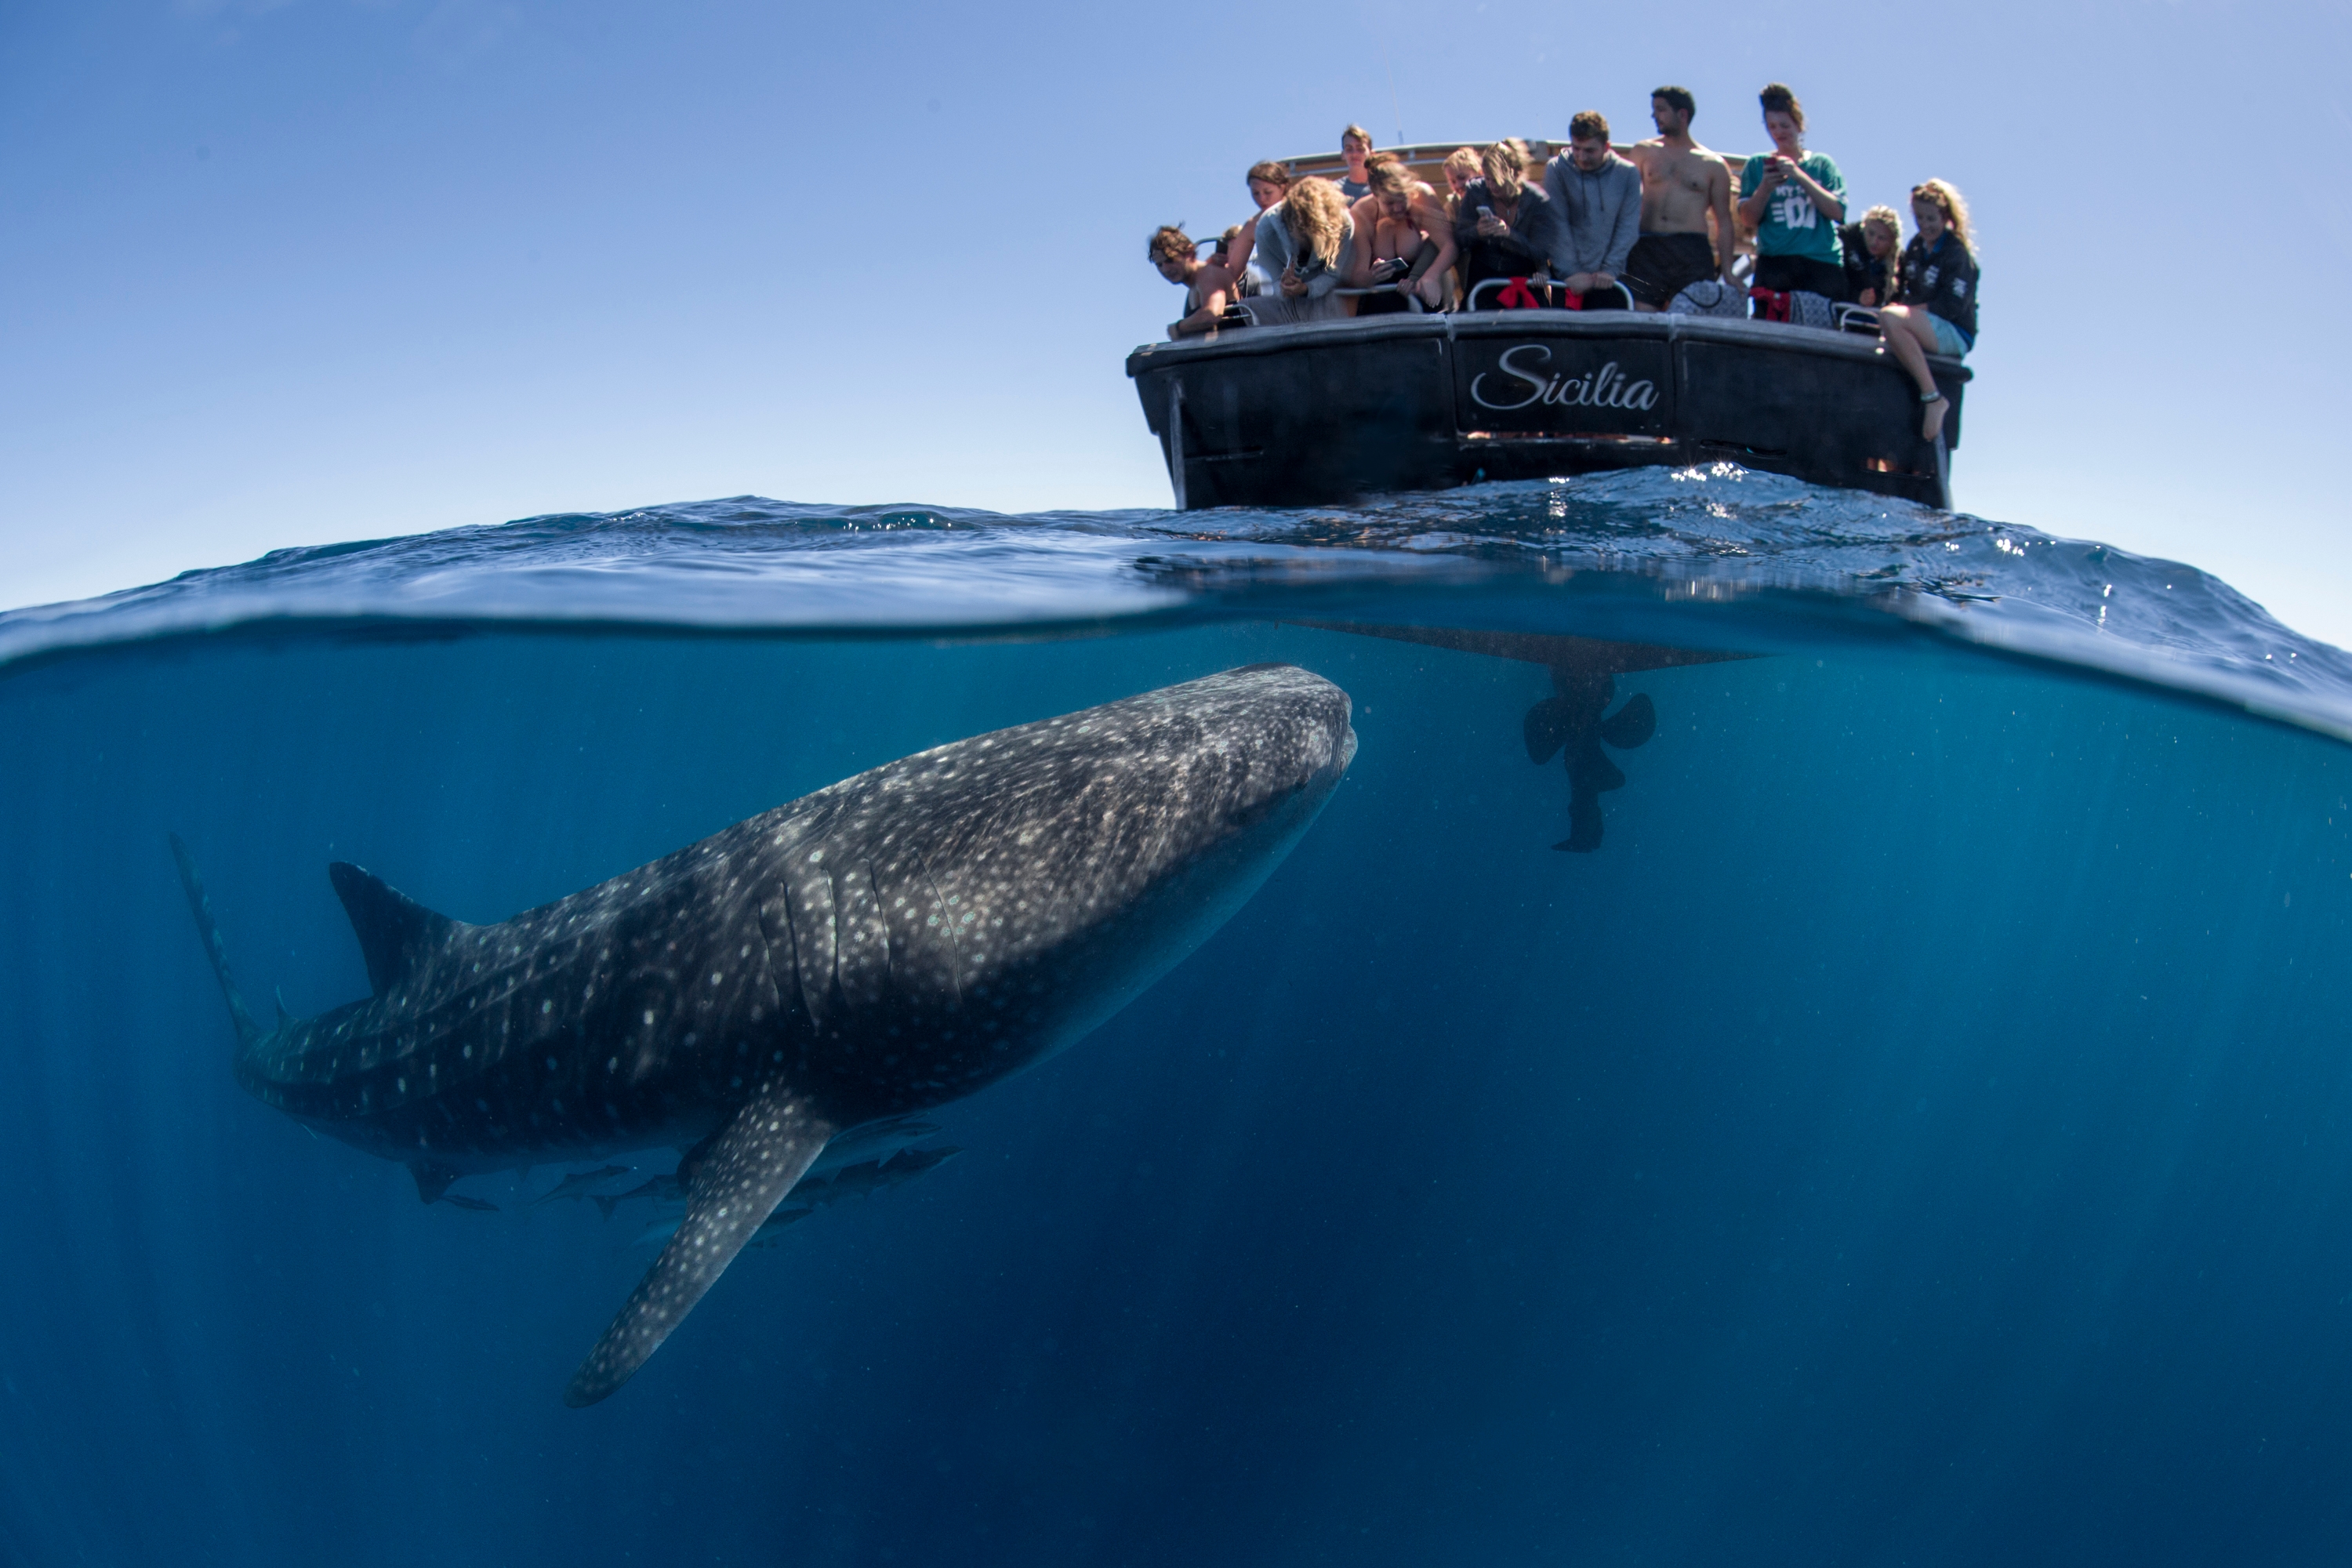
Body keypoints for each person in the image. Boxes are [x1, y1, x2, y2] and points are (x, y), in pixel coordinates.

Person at [1875, 179, 1979, 441]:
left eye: (1931, 218)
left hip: (1955, 332)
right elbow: (1904, 291)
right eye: (1919, 217)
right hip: (1923, 324)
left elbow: (1952, 306)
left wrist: (1902, 314)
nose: (1925, 224)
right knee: (1885, 321)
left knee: (1890, 317)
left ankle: (1933, 398)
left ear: (1945, 216)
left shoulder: (1957, 253)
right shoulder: (1916, 247)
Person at [1619, 85, 1737, 312]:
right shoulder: (1643, 152)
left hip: (1691, 250)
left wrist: (1729, 272)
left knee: (1690, 318)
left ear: (1682, 114)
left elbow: (1724, 221)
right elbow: (1626, 204)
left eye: (1661, 110)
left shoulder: (1713, 164)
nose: (1655, 116)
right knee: (1644, 321)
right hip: (1648, 247)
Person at [1736, 82, 1848, 305]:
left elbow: (1838, 212)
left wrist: (1799, 176)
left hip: (1820, 262)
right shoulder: (1758, 165)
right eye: (1772, 126)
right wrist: (1766, 186)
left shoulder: (1821, 164)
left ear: (1798, 124)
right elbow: (1747, 219)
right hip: (1775, 262)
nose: (1778, 133)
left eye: (1784, 126)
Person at [1542, 110, 1641, 309]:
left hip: (1611, 281)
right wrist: (1571, 272)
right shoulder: (1557, 169)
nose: (1582, 156)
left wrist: (1609, 271)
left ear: (1607, 147)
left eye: (1590, 150)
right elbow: (1556, 222)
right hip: (1567, 280)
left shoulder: (1627, 173)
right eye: (1576, 148)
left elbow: (1628, 226)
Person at [1453, 140, 1566, 309]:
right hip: (1483, 281)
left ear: (1515, 173)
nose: (1491, 186)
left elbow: (1542, 252)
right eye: (1488, 178)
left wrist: (1510, 234)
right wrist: (1477, 231)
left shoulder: (1537, 200)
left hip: (1524, 280)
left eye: (1497, 179)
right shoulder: (1476, 191)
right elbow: (1460, 239)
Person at [1347, 156, 1457, 313]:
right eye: (1390, 203)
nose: (1398, 208)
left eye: (1403, 199)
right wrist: (1373, 276)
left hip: (1422, 280)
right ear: (1375, 195)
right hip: (1384, 291)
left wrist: (1430, 276)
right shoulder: (1361, 213)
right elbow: (1358, 275)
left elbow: (1449, 245)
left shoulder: (1423, 195)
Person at [1243, 176, 1358, 324]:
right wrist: (1284, 289)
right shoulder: (1265, 230)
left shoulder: (1344, 224)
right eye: (1302, 230)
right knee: (1248, 307)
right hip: (1287, 306)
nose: (1307, 236)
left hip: (1330, 299)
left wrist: (1306, 289)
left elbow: (1333, 275)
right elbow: (1275, 280)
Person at [1148, 226, 1238, 339]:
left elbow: (1212, 314)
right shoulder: (1197, 282)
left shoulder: (1209, 274)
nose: (1165, 269)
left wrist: (1178, 327)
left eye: (1170, 260)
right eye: (1159, 265)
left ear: (1189, 252)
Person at [1221, 160, 1291, 292]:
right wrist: (1209, 267)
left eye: (1268, 192)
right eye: (1256, 193)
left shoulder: (1302, 210)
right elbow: (1232, 272)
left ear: (1282, 188)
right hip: (1283, 294)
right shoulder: (1252, 225)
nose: (1262, 199)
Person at [1840, 205, 1902, 307]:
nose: (1874, 242)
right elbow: (1834, 280)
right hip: (1844, 307)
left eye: (1882, 238)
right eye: (1871, 233)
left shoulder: (1900, 261)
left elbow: (1900, 297)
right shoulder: (1847, 238)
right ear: (1864, 227)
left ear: (1892, 241)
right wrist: (1857, 297)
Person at [1338, 125, 1376, 199]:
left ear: (1372, 154)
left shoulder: (1383, 190)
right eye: (1349, 149)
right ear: (1343, 155)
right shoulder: (1333, 190)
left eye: (1360, 149)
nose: (1354, 153)